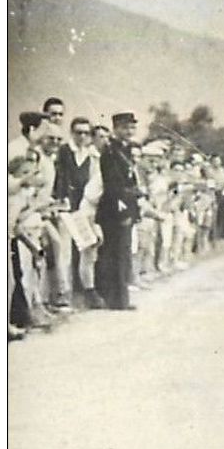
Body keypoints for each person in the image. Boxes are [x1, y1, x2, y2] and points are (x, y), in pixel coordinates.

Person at [52, 117, 105, 309]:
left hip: (84, 208)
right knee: (64, 252)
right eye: (78, 132)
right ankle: (64, 293)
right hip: (66, 206)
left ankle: (87, 290)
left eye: (86, 133)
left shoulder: (92, 156)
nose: (82, 136)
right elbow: (60, 177)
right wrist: (61, 198)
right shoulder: (64, 151)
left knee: (88, 249)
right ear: (72, 133)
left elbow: (95, 182)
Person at [95, 112, 143, 310]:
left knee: (123, 252)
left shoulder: (127, 150)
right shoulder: (111, 151)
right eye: (125, 127)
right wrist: (123, 209)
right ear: (115, 128)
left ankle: (121, 298)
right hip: (115, 208)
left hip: (127, 204)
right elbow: (112, 184)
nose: (129, 131)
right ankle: (116, 299)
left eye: (132, 127)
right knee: (115, 253)